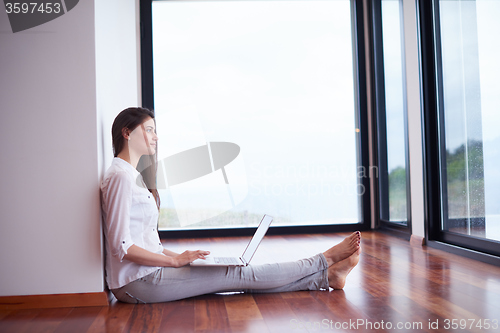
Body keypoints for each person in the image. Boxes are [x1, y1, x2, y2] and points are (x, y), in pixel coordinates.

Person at [101, 107, 361, 303]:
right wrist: (175, 262)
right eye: (149, 130)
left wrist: (180, 257)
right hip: (136, 284)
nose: (156, 137)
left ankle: (326, 278)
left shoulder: (131, 176)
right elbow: (120, 246)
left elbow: (146, 242)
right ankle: (323, 261)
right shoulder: (119, 177)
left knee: (239, 273)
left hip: (150, 273)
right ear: (127, 133)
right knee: (239, 274)